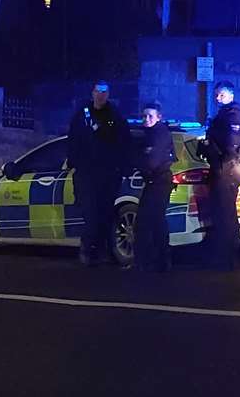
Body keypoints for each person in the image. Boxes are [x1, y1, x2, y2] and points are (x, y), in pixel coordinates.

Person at [66, 79, 128, 266]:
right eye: (98, 91)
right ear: (92, 93)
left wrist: (120, 168)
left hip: (108, 175)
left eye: (104, 91)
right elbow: (73, 141)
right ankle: (87, 250)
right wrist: (75, 161)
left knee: (105, 215)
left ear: (108, 94)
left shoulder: (115, 116)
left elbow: (123, 142)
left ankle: (101, 251)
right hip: (86, 175)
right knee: (90, 215)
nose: (101, 95)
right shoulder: (81, 116)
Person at [201, 80, 240, 270]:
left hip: (226, 169)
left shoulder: (233, 115)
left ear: (231, 95)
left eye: (221, 95)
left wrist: (211, 149)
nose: (217, 98)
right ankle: (221, 256)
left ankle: (227, 258)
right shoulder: (223, 115)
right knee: (220, 214)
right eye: (217, 94)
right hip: (221, 168)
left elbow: (230, 145)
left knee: (226, 215)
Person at [133, 101, 176, 274]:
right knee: (156, 222)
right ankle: (159, 261)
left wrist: (136, 161)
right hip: (155, 182)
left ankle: (147, 262)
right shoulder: (149, 133)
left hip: (158, 182)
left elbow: (150, 161)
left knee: (146, 222)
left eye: (150, 116)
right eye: (144, 116)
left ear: (159, 117)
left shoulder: (158, 135)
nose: (146, 119)